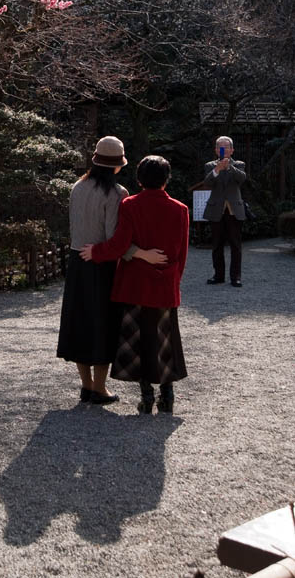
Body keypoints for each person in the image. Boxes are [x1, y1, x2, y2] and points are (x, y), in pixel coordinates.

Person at [57, 137, 165, 406]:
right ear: (117, 165)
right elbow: (114, 240)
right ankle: (100, 388)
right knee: (103, 324)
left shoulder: (77, 187)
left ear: (95, 160)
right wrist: (142, 254)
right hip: (101, 266)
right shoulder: (117, 193)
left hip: (76, 261)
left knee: (80, 323)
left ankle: (85, 386)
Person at [80, 155, 189, 415]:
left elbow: (119, 245)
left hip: (135, 284)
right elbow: (182, 254)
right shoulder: (180, 209)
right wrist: (174, 280)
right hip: (165, 284)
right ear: (167, 179)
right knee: (164, 341)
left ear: (139, 179)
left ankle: (146, 397)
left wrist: (94, 252)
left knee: (139, 340)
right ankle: (168, 395)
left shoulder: (130, 205)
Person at [203, 135, 246, 288]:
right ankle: (218, 275)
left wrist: (228, 167)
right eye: (220, 147)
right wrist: (217, 169)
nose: (223, 150)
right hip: (217, 209)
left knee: (236, 245)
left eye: (226, 147)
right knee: (217, 245)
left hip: (234, 210)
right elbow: (207, 182)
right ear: (216, 150)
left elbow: (242, 179)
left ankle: (236, 277)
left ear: (232, 150)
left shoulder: (239, 164)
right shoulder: (210, 165)